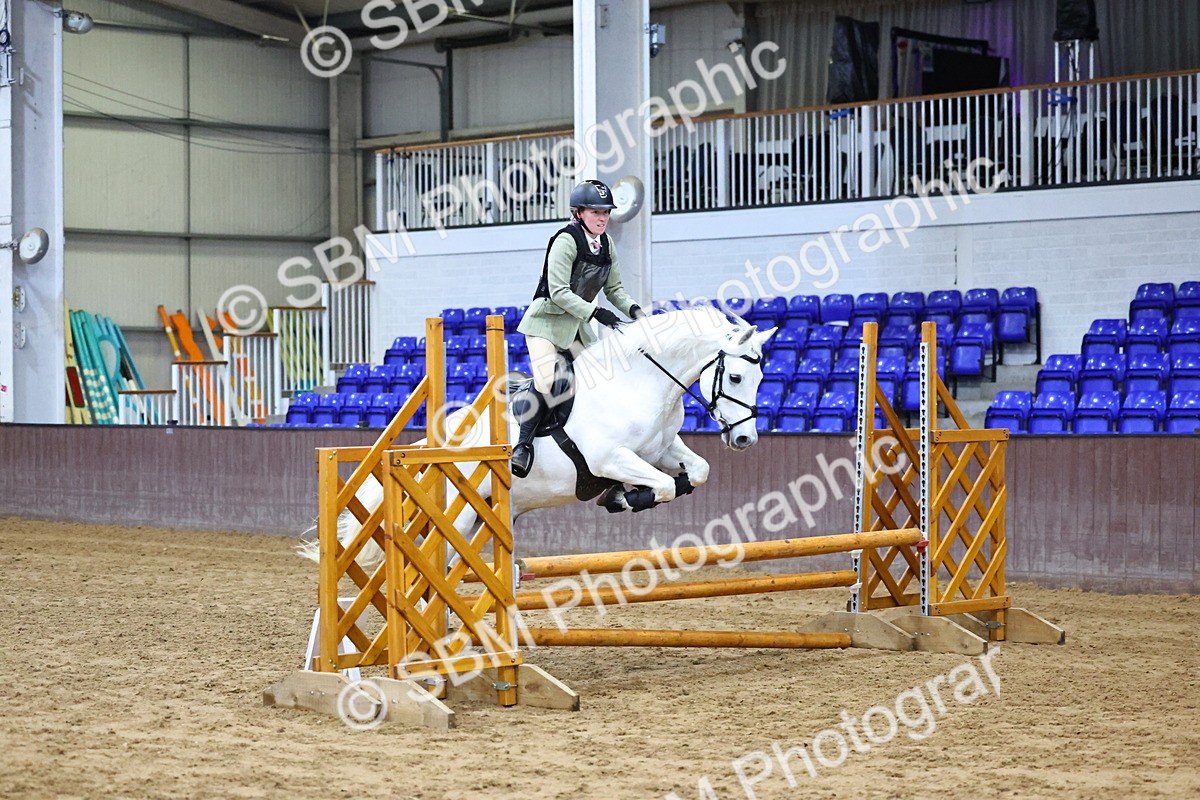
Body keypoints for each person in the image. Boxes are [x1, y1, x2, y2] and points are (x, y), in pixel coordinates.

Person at [511, 179, 646, 478]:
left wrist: (637, 312)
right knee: (547, 380)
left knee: (601, 380)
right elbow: (558, 291)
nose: (602, 218)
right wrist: (596, 313)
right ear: (579, 213)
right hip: (546, 322)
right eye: (596, 212)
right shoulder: (565, 240)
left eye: (606, 212)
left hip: (576, 328)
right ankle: (523, 446)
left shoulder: (607, 244)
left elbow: (616, 290)